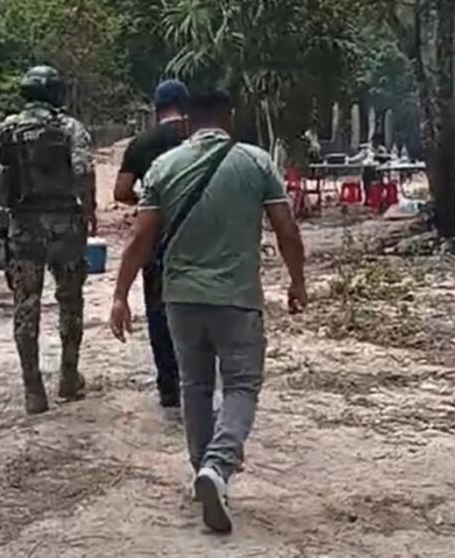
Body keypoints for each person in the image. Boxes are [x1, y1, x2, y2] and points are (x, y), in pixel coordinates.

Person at [109, 90, 307, 534]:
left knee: (194, 385)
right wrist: (297, 281)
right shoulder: (255, 162)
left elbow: (141, 239)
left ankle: (205, 472)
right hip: (237, 298)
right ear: (227, 119)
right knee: (240, 384)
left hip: (179, 298)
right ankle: (217, 467)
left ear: (188, 123)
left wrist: (120, 294)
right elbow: (286, 230)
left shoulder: (163, 166)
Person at [0, 65, 96, 416]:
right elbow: (83, 171)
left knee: (26, 304)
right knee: (70, 301)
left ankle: (33, 389)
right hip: (65, 226)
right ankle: (69, 376)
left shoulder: (6, 130)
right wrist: (88, 211)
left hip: (24, 227)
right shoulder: (70, 128)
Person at [113, 79, 189, 408]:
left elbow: (120, 191)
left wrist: (146, 200)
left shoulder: (141, 143)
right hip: (199, 232)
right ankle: (197, 376)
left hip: (157, 236)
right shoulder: (196, 140)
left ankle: (168, 384)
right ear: (186, 109)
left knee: (158, 308)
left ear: (155, 109)